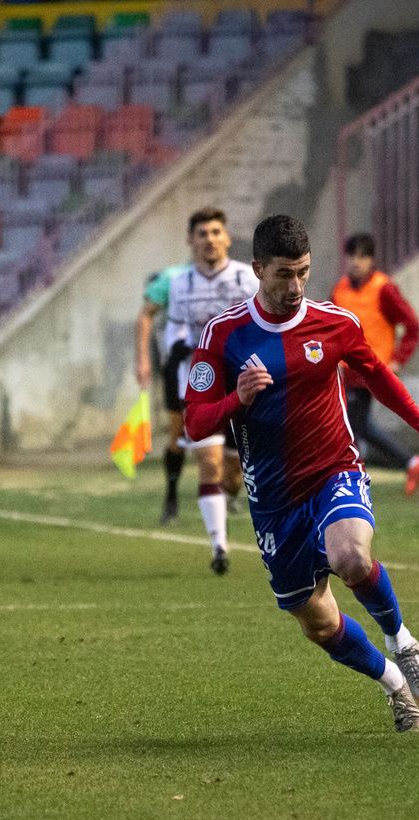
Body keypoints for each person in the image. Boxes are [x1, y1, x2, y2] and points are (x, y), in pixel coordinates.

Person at [183, 214, 419, 734]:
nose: (295, 286)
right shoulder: (223, 335)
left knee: (351, 555)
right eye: (283, 274)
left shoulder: (336, 323)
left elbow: (377, 374)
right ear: (258, 269)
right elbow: (194, 420)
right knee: (318, 623)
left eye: (303, 272)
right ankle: (393, 683)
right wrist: (238, 398)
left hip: (333, 469)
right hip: (274, 500)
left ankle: (401, 639)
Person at [162, 207, 260, 574]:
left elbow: (262, 324)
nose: (210, 239)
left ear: (227, 237)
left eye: (216, 232)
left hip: (243, 385)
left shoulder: (247, 279)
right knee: (209, 464)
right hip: (201, 385)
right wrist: (177, 346)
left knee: (233, 473)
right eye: (202, 233)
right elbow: (175, 328)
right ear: (191, 241)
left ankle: (230, 502)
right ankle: (219, 546)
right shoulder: (179, 284)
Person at [329, 233, 419, 496]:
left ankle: (397, 464)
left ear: (371, 259)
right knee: (353, 425)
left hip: (370, 370)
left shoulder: (383, 288)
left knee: (353, 425)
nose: (355, 262)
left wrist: (398, 359)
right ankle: (408, 462)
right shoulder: (340, 289)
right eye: (351, 256)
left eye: (361, 256)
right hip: (345, 370)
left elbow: (412, 325)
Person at [135, 261, 190, 524]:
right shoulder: (172, 278)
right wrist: (143, 360)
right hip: (179, 366)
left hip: (222, 364)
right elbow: (146, 314)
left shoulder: (234, 277)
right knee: (177, 434)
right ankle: (171, 497)